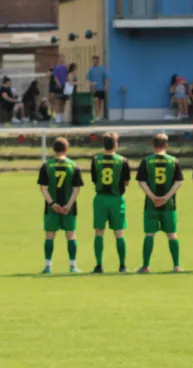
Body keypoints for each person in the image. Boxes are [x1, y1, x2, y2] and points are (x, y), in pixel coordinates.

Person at [136, 134, 184, 273]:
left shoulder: (146, 161)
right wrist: (166, 197)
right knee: (172, 234)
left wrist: (152, 197)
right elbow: (178, 182)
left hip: (151, 205)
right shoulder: (173, 161)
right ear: (166, 145)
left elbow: (142, 181)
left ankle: (145, 266)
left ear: (153, 145)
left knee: (149, 234)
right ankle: (176, 266)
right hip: (169, 205)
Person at [37, 137, 84, 274]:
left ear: (53, 149)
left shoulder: (46, 166)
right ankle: (73, 266)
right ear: (66, 149)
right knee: (71, 236)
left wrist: (52, 203)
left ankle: (47, 266)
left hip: (51, 208)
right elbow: (76, 188)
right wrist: (69, 204)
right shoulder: (74, 166)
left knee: (49, 236)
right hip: (69, 208)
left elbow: (43, 187)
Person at [90, 133, 131, 274]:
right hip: (116, 199)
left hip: (100, 199)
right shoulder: (123, 161)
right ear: (115, 145)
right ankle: (122, 265)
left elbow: (95, 179)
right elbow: (126, 182)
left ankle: (99, 265)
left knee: (99, 233)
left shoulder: (96, 160)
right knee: (119, 233)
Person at [87, 55, 108, 122]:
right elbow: (89, 80)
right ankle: (97, 115)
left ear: (98, 61)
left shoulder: (102, 69)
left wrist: (106, 86)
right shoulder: (90, 69)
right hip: (94, 88)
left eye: (96, 60)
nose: (94, 61)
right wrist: (91, 87)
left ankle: (100, 115)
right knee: (96, 101)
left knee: (100, 103)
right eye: (93, 60)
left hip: (101, 88)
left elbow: (106, 78)